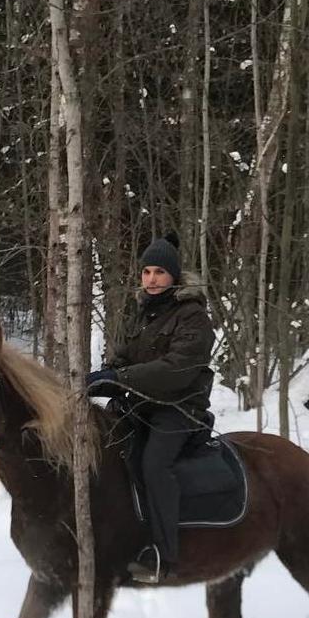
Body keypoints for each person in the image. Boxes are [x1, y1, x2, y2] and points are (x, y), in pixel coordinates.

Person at [86, 232, 215, 583]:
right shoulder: (143, 314)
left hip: (179, 409)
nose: (152, 279)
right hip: (140, 407)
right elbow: (123, 355)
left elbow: (178, 369)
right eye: (146, 272)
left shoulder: (192, 316)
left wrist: (120, 377)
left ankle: (163, 553)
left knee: (154, 463)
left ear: (173, 275)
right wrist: (102, 376)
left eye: (159, 271)